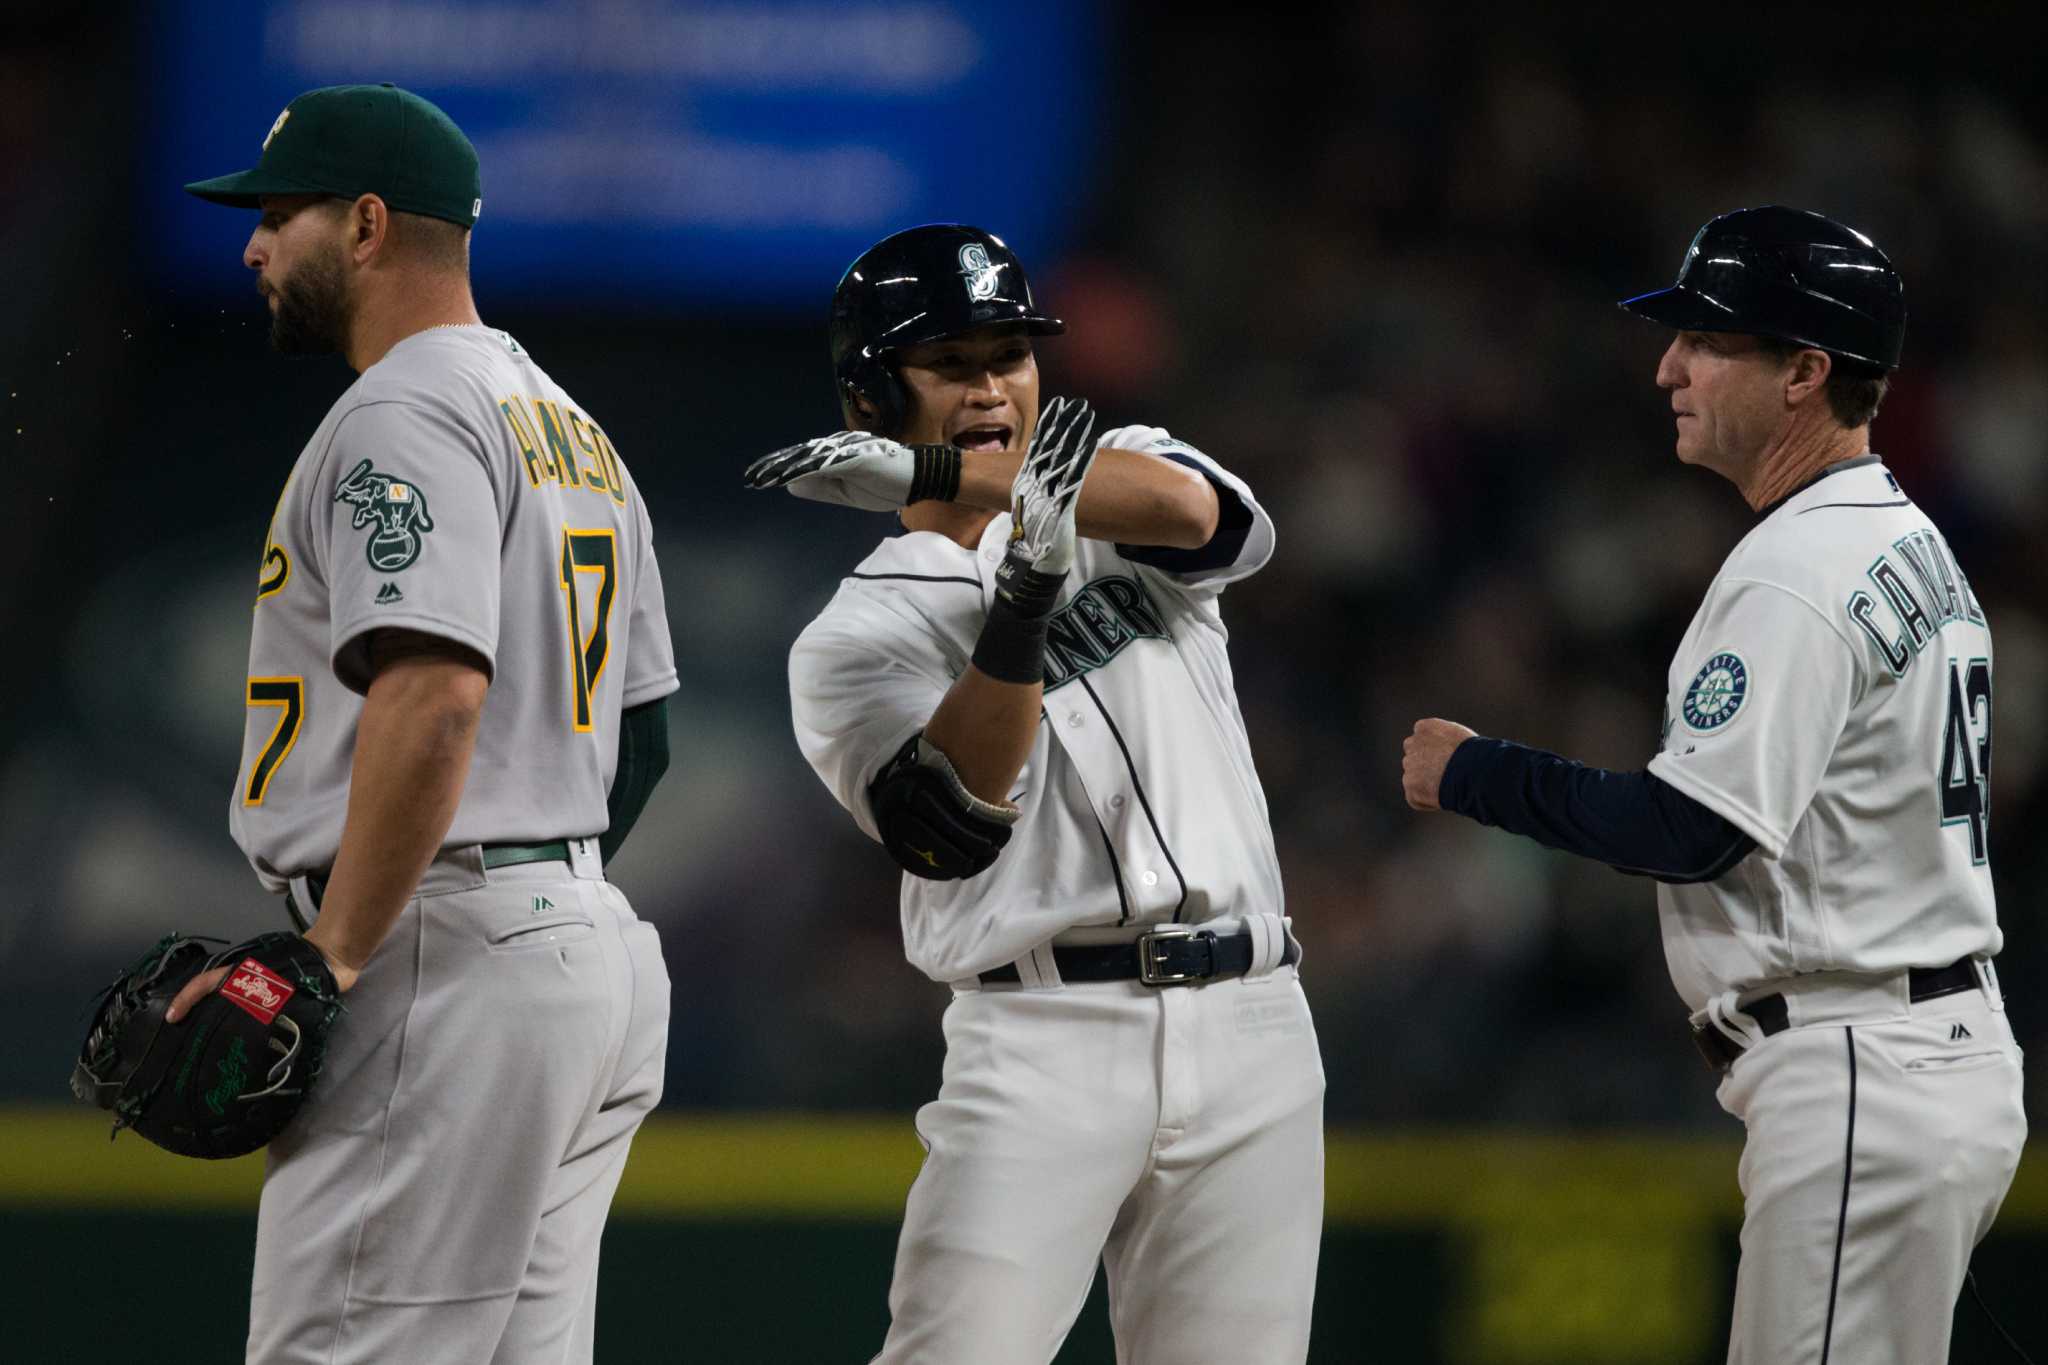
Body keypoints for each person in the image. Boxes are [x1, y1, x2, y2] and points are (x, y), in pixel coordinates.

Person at [1400, 205, 2025, 1363]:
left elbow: (1691, 830)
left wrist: (1479, 772)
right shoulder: (1904, 539)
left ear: (1802, 371)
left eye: (1706, 341)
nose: (1665, 368)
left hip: (1858, 1064)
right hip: (1918, 1049)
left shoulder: (1795, 568)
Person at [746, 223, 1323, 1364]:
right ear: (868, 399)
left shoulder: (1125, 476)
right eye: (950, 365)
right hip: (1041, 1035)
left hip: (1250, 1007)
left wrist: (949, 476)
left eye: (1008, 355)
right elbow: (947, 821)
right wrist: (1019, 604)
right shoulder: (852, 637)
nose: (992, 386)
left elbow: (1209, 520)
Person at [168, 83, 678, 1363]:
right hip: (576, 952)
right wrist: (541, 892)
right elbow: (646, 740)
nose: (251, 245)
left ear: (367, 224)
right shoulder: (571, 429)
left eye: (278, 214)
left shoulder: (403, 411)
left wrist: (331, 957)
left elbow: (436, 692)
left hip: (439, 953)